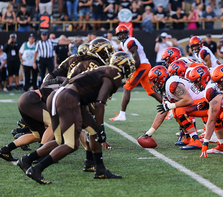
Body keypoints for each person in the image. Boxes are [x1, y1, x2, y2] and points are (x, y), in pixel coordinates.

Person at [17, 52, 133, 184]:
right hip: (69, 98)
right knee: (71, 144)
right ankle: (36, 169)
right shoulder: (115, 74)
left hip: (62, 95)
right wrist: (101, 127)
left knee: (87, 133)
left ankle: (99, 169)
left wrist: (98, 126)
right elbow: (100, 103)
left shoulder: (102, 69)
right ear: (125, 66)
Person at [110, 25, 162, 121]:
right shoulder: (124, 43)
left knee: (126, 87)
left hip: (141, 66)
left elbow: (136, 60)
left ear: (127, 33)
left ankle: (122, 115)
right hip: (143, 65)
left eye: (123, 33)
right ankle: (170, 108)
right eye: (120, 34)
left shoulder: (130, 42)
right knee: (151, 91)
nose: (122, 36)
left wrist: (130, 71)